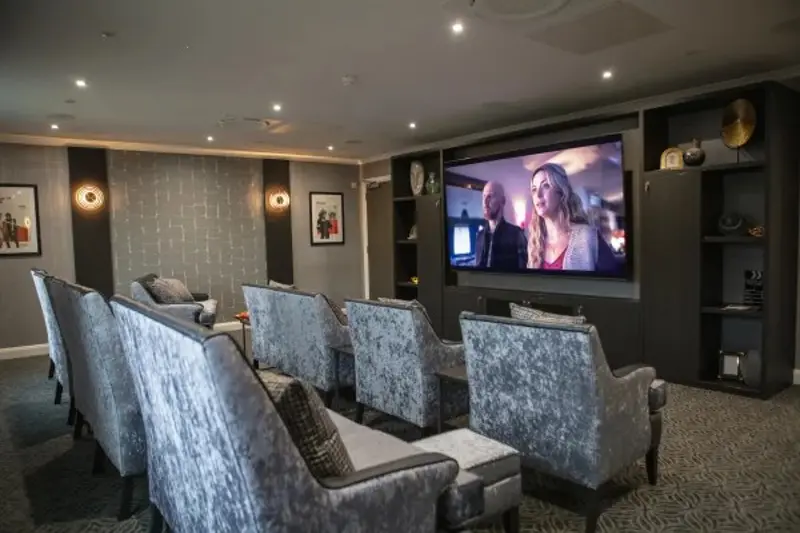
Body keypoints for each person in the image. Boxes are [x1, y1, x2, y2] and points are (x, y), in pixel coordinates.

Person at [527, 163, 618, 272]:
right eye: (534, 189)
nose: (538, 195)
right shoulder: (535, 244)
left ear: (561, 192)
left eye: (546, 186)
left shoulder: (587, 237)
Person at [474, 181, 527, 270]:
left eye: (490, 196)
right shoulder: (480, 236)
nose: (485, 202)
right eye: (484, 196)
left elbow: (524, 273)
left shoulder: (516, 235)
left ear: (503, 201)